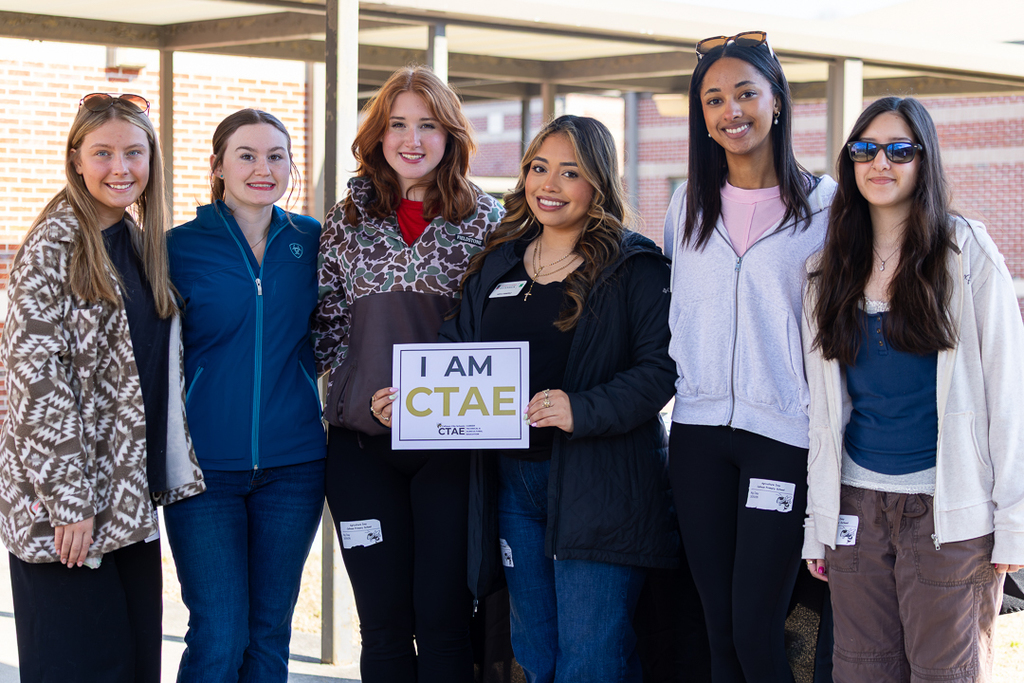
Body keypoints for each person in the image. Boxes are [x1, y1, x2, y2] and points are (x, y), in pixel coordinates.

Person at [436, 114, 679, 683]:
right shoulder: (499, 259)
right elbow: (458, 348)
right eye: (539, 168)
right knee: (536, 652)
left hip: (600, 486)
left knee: (590, 661)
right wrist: (417, 398)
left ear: (597, 183)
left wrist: (581, 408)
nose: (549, 184)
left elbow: (662, 370)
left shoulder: (633, 266)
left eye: (569, 172)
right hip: (512, 485)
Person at [802, 96, 1024, 682]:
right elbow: (821, 414)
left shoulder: (965, 252)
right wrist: (818, 523)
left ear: (925, 161)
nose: (881, 162)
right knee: (861, 671)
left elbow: (1009, 394)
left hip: (948, 512)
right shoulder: (827, 270)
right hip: (857, 507)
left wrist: (1015, 522)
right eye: (865, 149)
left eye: (900, 150)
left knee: (945, 674)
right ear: (849, 161)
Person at [0, 92, 205, 682]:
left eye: (134, 153)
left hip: (125, 501)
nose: (121, 168)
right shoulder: (53, 247)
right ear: (76, 159)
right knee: (82, 667)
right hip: (66, 507)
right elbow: (35, 382)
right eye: (104, 153)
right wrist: (69, 504)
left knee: (134, 662)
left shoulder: (140, 248)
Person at [313, 65, 503, 682]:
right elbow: (326, 336)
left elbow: (498, 339)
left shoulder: (489, 223)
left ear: (450, 136)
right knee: (385, 624)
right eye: (397, 125)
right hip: (361, 451)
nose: (412, 139)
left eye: (427, 124)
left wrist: (432, 398)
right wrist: (364, 399)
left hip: (450, 451)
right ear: (378, 135)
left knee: (445, 618)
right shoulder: (344, 224)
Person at [662, 31, 837, 683]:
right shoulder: (686, 207)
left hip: (783, 438)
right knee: (715, 628)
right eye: (713, 99)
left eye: (745, 93)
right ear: (702, 117)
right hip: (700, 434)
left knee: (757, 624)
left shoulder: (827, 207)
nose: (730, 110)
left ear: (777, 102)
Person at [163, 109, 326, 682]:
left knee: (268, 632)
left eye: (276, 156)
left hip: (296, 465)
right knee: (218, 629)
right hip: (204, 469)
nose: (264, 168)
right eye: (248, 155)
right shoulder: (177, 248)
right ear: (218, 166)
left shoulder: (314, 240)